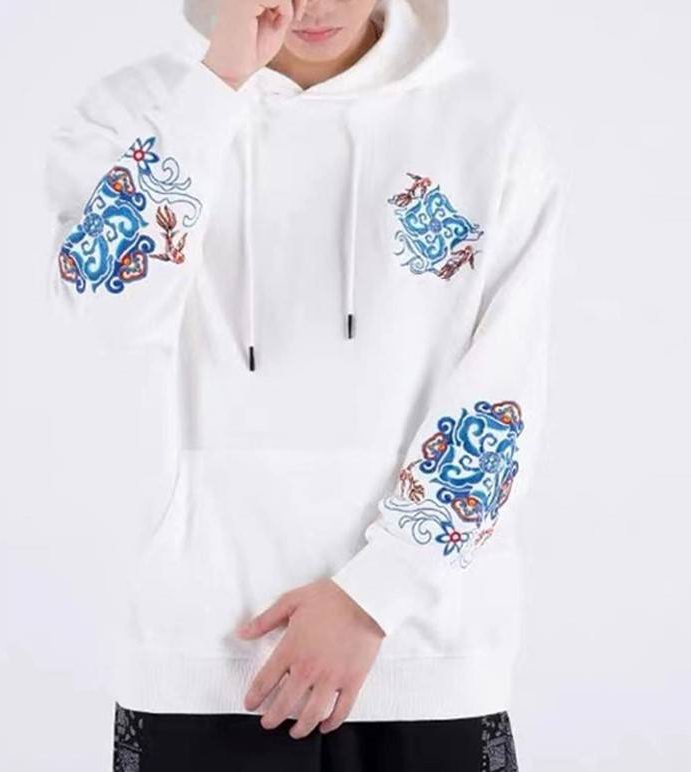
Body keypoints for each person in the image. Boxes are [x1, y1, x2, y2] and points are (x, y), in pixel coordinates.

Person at [44, 0, 563, 769]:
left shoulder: (489, 126)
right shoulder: (133, 111)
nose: (315, 5)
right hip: (196, 654)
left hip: (425, 658)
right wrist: (216, 88)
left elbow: (501, 396)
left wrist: (374, 596)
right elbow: (105, 311)